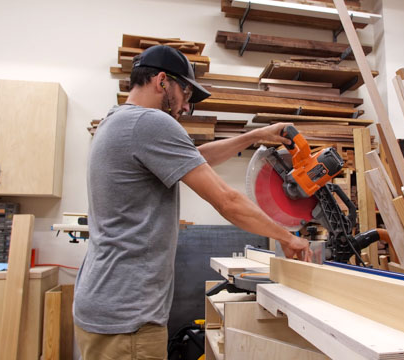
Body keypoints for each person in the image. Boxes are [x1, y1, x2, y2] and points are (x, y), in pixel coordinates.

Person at [73, 45, 311, 360]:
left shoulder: (119, 121)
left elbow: (196, 158)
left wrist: (255, 136)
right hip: (127, 317)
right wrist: (288, 238)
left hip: (105, 302)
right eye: (186, 93)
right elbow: (227, 201)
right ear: (161, 82)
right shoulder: (150, 123)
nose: (185, 106)